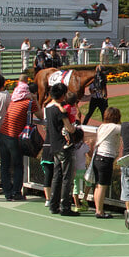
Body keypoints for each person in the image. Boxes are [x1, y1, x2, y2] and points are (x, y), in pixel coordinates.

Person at [45, 82, 80, 216]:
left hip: (54, 144)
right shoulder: (61, 110)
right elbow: (70, 128)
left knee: (56, 175)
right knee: (67, 177)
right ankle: (65, 206)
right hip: (65, 145)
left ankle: (53, 204)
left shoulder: (49, 108)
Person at [91, 106, 122, 218]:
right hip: (106, 158)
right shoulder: (114, 127)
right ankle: (99, 211)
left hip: (98, 157)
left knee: (98, 185)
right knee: (102, 186)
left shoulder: (102, 126)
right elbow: (127, 129)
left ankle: (98, 209)